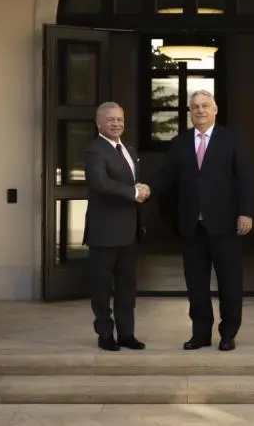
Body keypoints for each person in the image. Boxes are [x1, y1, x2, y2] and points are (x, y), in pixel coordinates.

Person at [141, 90, 254, 351]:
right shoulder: (180, 142)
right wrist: (148, 189)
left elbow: (245, 178)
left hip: (226, 224)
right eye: (195, 107)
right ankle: (200, 334)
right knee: (196, 284)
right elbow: (166, 174)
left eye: (205, 106)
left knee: (230, 283)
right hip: (192, 226)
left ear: (215, 110)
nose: (200, 110)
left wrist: (246, 212)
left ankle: (228, 333)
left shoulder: (232, 140)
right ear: (190, 112)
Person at [83, 101, 148, 351]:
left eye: (120, 119)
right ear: (98, 123)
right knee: (101, 287)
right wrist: (134, 192)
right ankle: (105, 333)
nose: (116, 123)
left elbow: (130, 182)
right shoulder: (95, 150)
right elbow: (100, 182)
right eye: (110, 119)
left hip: (129, 232)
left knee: (127, 287)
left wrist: (140, 188)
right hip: (104, 231)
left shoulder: (129, 149)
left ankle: (127, 334)